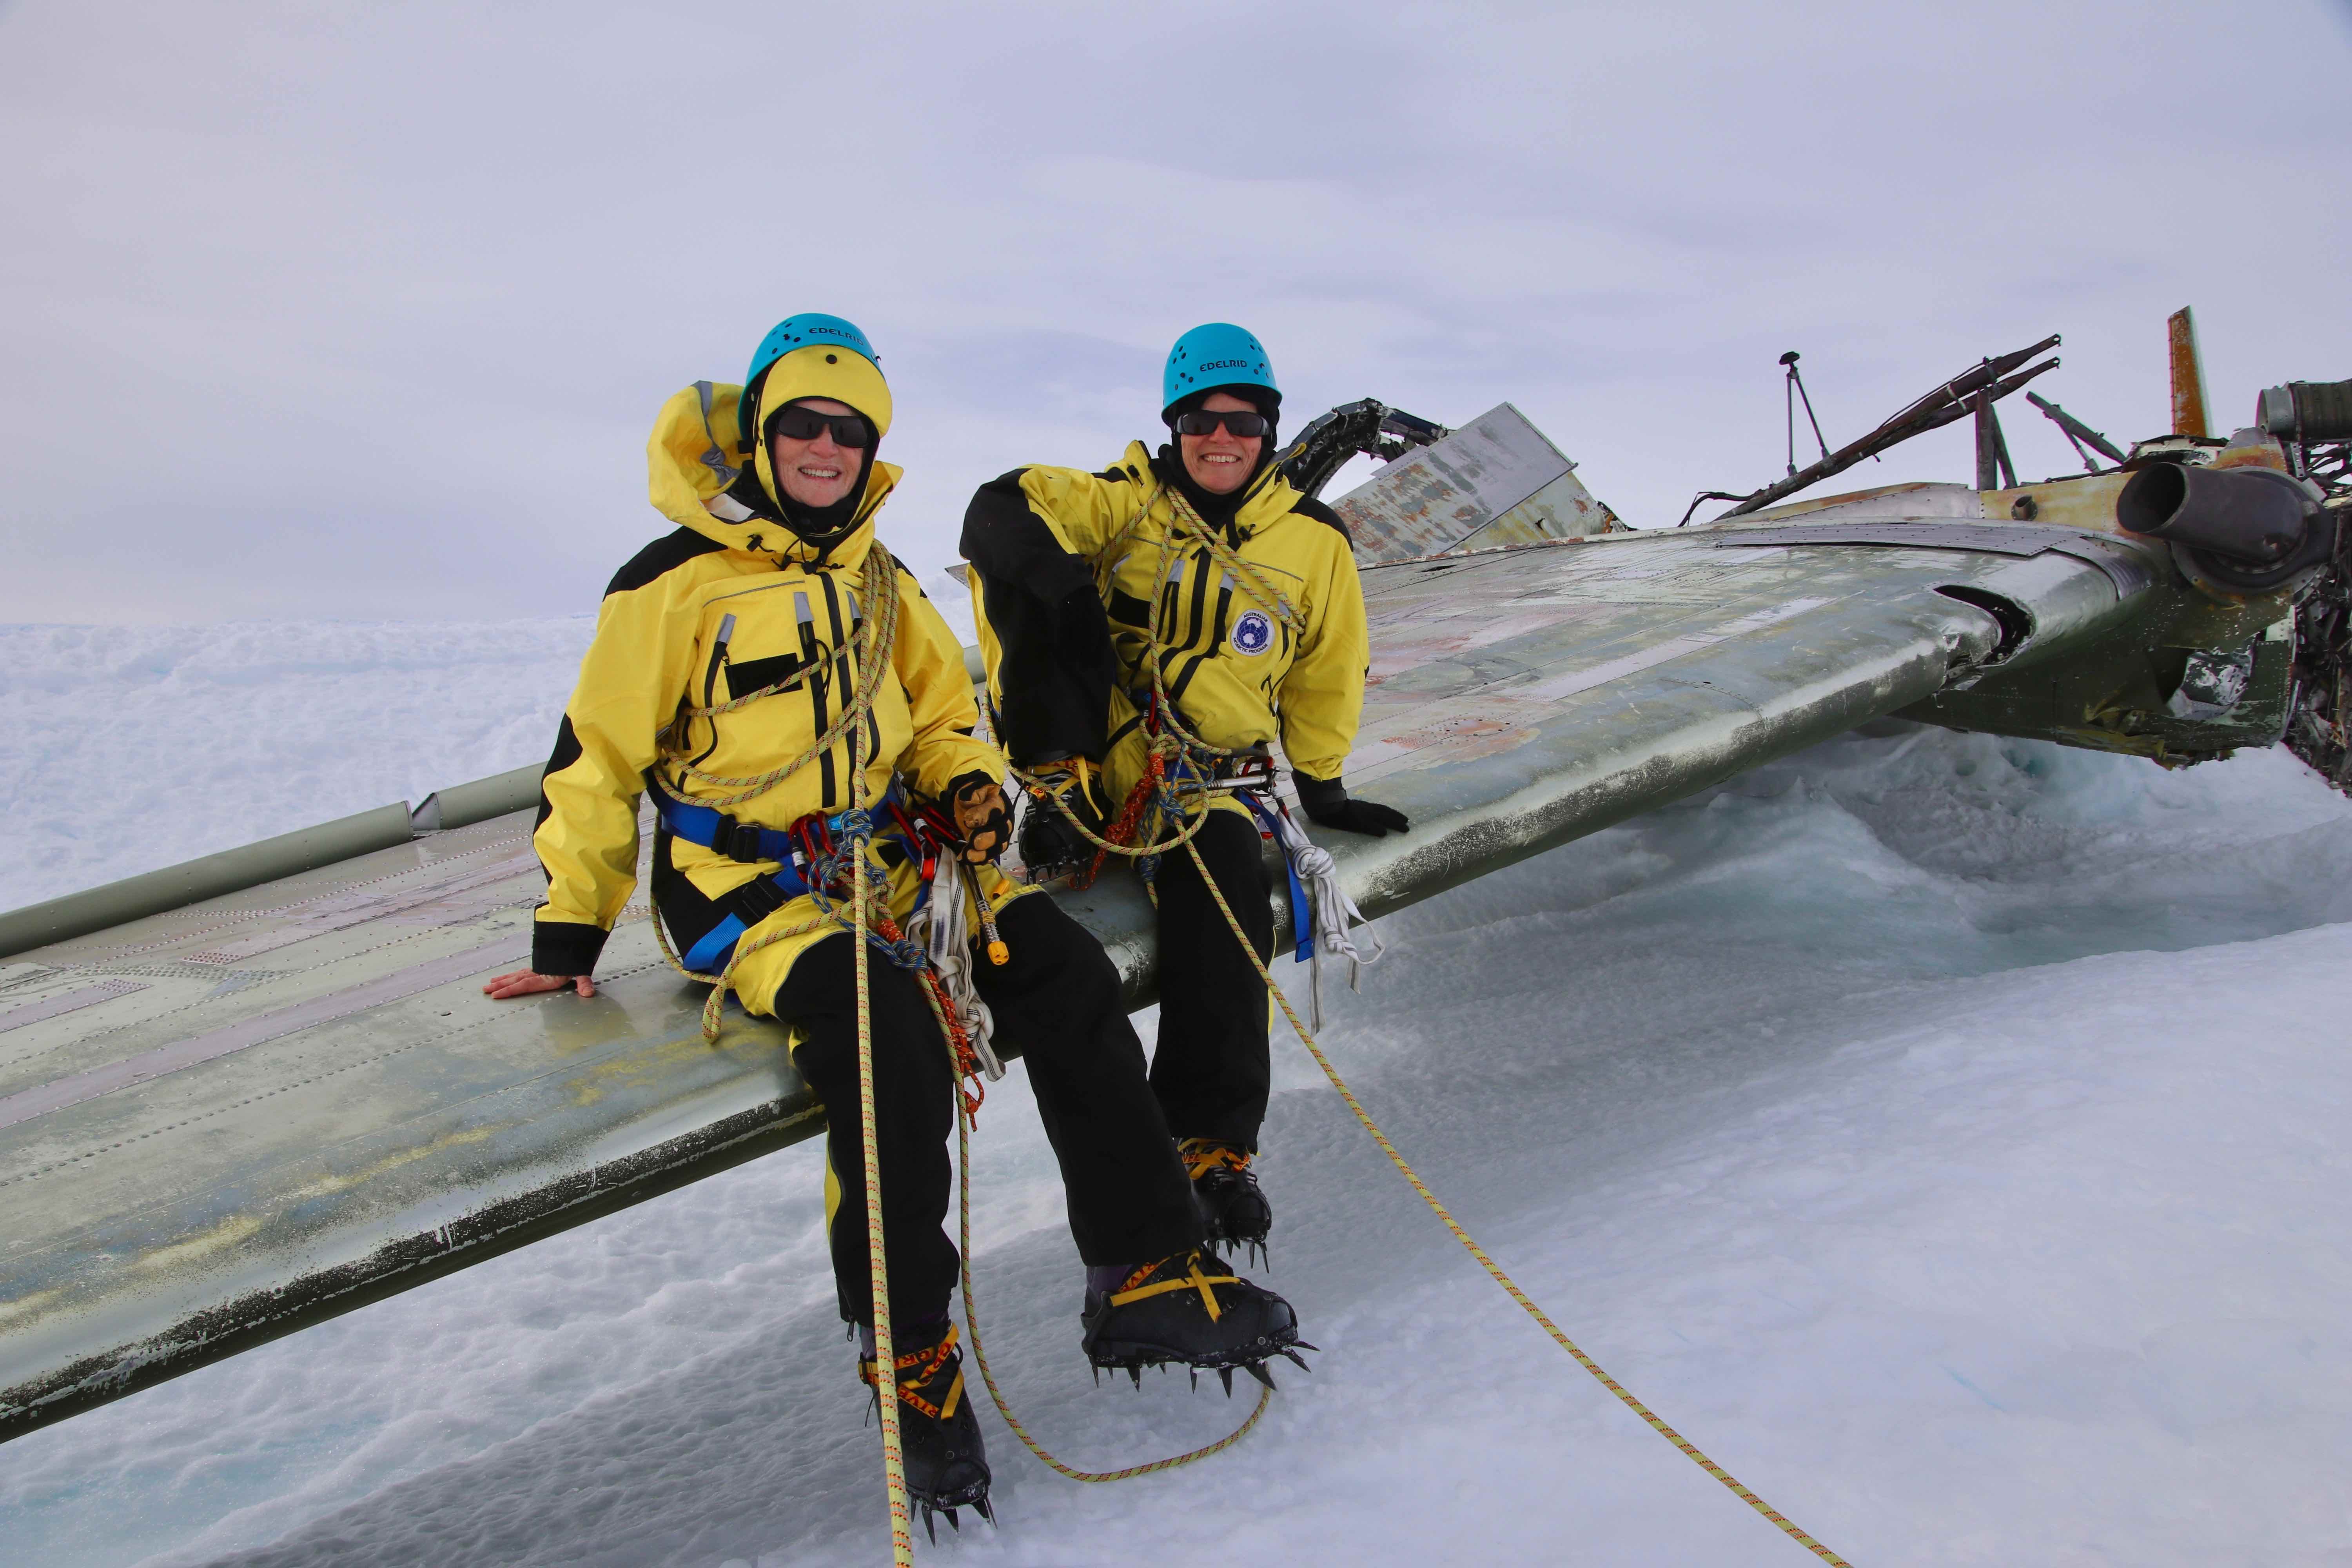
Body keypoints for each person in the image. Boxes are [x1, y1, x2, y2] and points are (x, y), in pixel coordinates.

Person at [483, 314, 1305, 1535]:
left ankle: (1140, 1265)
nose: (825, 447)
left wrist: (968, 781)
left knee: (1065, 977)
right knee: (889, 1038)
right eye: (802, 427)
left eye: (849, 431)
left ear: (872, 448)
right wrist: (569, 933)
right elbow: (593, 758)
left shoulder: (881, 577)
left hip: (898, 858)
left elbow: (936, 715)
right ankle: (912, 1358)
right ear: (762, 439)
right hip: (748, 889)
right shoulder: (672, 587)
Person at [960, 322, 1408, 1263]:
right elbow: (998, 509)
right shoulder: (1125, 501)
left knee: (1226, 894)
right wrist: (1060, 579)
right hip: (1106, 759)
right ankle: (1058, 799)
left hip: (1209, 776)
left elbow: (1329, 667)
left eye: (1241, 420)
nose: (1221, 436)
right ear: (1174, 425)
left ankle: (1210, 1143)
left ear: (1269, 427)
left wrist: (1321, 782)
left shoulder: (1313, 543)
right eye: (1200, 419)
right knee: (1032, 588)